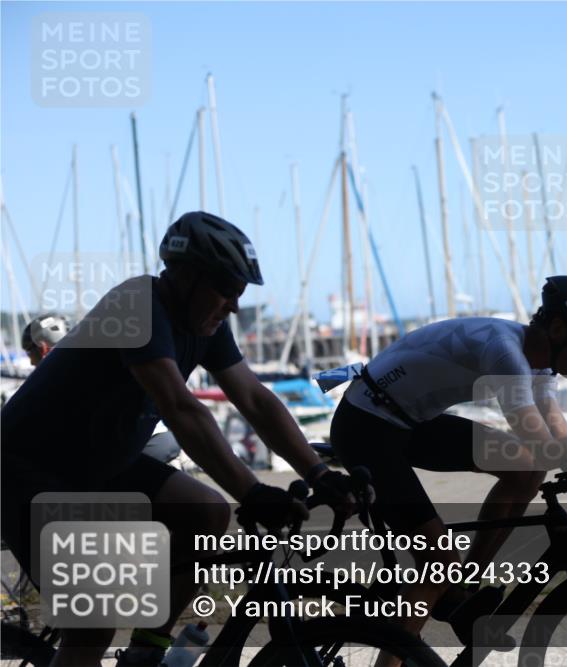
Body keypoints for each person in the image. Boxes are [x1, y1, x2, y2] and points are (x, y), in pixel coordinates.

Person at [0, 211, 353, 667]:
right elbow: (179, 405)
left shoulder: (204, 325)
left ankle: (148, 650)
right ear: (185, 277)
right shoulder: (136, 306)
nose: (233, 306)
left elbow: (254, 398)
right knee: (93, 623)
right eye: (226, 291)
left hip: (101, 462)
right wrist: (253, 490)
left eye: (239, 295)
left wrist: (319, 473)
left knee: (206, 512)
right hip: (31, 471)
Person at [327, 275, 567, 662]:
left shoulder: (540, 370)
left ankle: (463, 592)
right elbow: (554, 450)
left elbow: (562, 445)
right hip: (366, 427)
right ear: (557, 329)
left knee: (526, 469)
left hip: (409, 421)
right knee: (438, 563)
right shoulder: (504, 354)